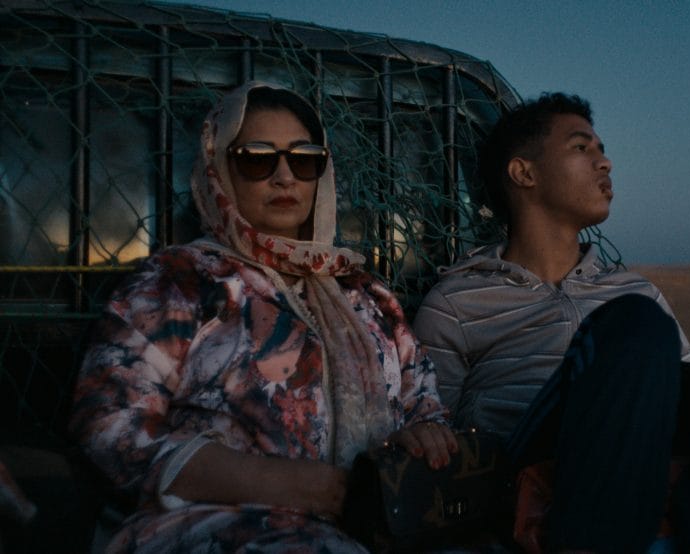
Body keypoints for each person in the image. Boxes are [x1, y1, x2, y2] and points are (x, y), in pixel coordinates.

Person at [413, 93, 690, 553]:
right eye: (581, 148)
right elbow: (432, 429)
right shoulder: (457, 300)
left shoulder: (636, 289)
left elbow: (682, 402)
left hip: (642, 463)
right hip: (527, 474)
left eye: (601, 149)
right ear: (524, 173)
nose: (605, 163)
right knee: (635, 327)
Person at [69, 81, 457, 553]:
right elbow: (109, 425)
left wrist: (423, 438)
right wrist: (305, 488)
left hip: (381, 525)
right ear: (220, 171)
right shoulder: (179, 281)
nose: (284, 176)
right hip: (219, 521)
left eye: (304, 158)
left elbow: (426, 406)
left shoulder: (365, 294)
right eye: (256, 157)